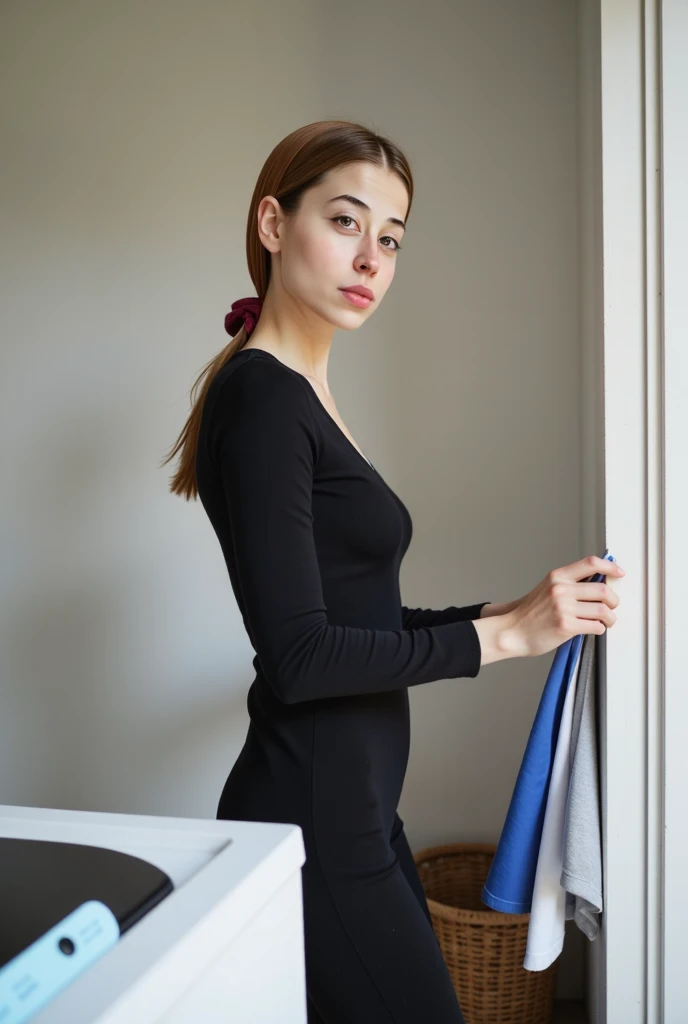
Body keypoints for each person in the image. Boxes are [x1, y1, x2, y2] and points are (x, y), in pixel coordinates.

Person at [161, 120, 624, 1024]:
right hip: (318, 815)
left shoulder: (301, 390)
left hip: (355, 809)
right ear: (272, 223)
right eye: (345, 221)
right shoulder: (261, 398)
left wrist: (516, 611)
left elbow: (353, 615)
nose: (370, 256)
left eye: (392, 238)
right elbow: (302, 656)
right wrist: (499, 639)